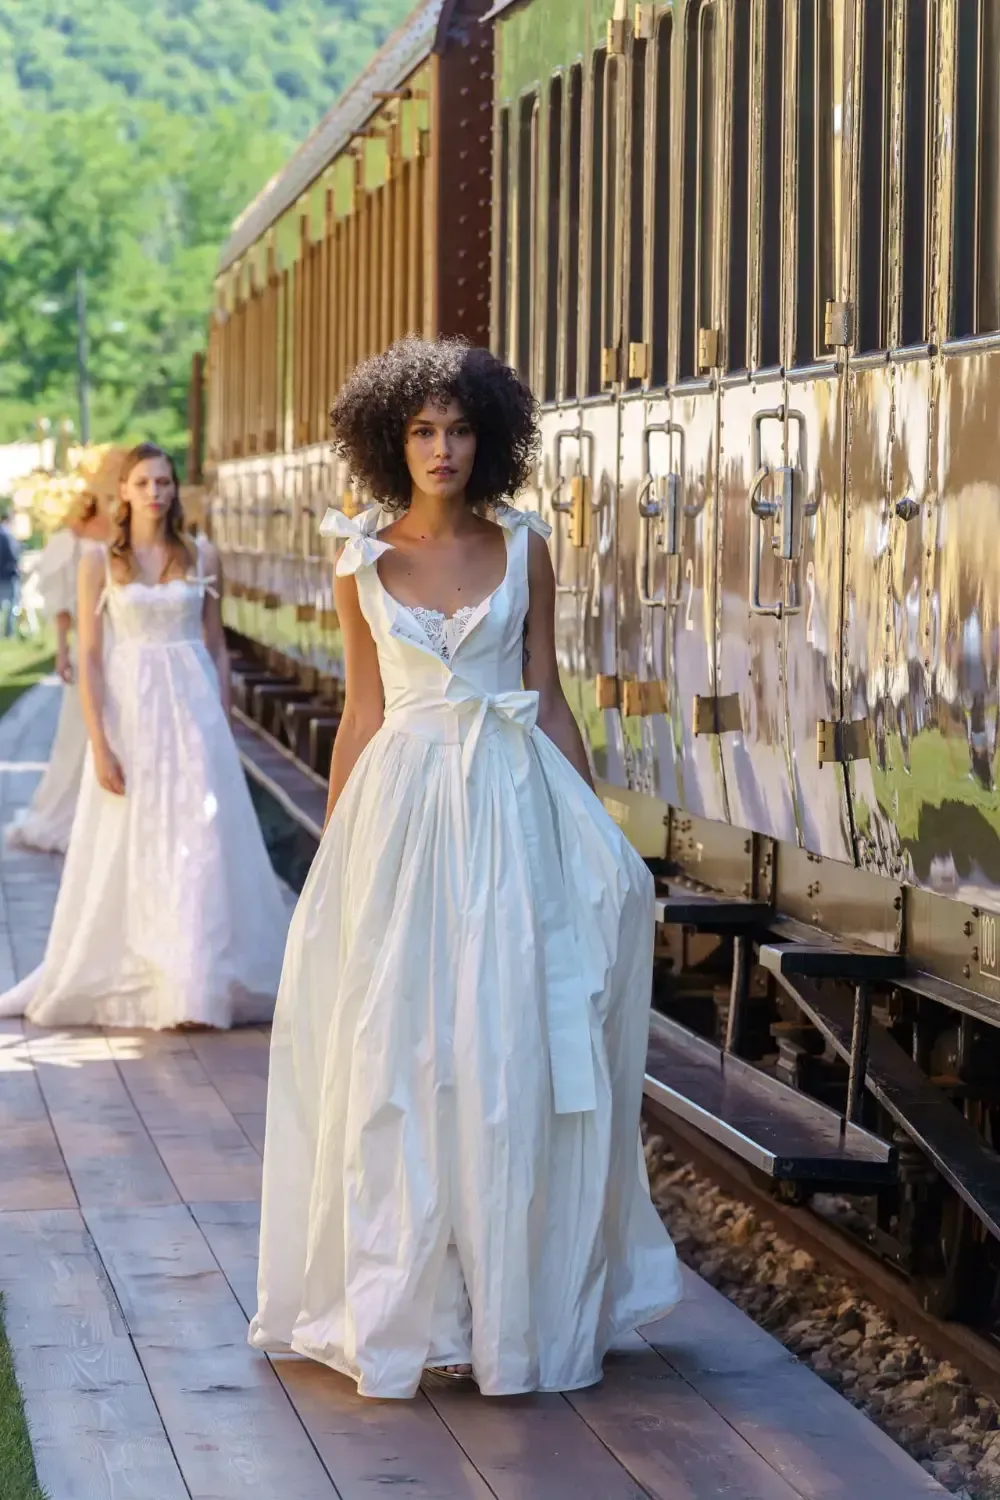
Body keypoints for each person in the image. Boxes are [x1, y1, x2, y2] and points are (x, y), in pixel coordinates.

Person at [250, 338, 680, 1399]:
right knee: (401, 1050)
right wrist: (336, 855)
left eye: (458, 429)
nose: (442, 448)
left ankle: (508, 1306)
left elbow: (549, 695)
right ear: (390, 443)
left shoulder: (524, 547)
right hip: (402, 814)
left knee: (507, 1046)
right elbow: (361, 712)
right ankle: (413, 1305)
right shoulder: (358, 560)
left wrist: (592, 829)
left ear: (487, 440)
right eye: (422, 431)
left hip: (508, 807)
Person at [0, 442, 289, 1029]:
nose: (155, 492)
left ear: (174, 488)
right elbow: (89, 657)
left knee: (200, 839)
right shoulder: (99, 562)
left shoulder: (202, 553)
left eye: (163, 481)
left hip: (195, 713)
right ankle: (146, 971)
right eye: (143, 483)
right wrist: (100, 743)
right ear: (124, 493)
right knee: (132, 838)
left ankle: (196, 983)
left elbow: (216, 646)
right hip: (132, 715)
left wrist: (223, 720)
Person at [5, 489, 111, 853]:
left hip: (118, 641)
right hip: (89, 642)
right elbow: (64, 605)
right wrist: (63, 651)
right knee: (77, 732)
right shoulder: (68, 545)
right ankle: (71, 811)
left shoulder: (115, 536)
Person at [0, 509, 21, 637]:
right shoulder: (7, 535)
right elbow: (13, 555)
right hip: (9, 573)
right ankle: (9, 632)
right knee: (13, 603)